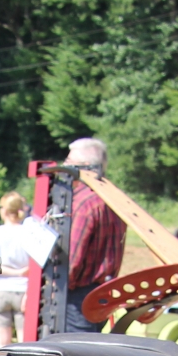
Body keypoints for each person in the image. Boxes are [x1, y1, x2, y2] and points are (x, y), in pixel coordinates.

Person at [61, 137, 127, 333]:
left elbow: (71, 263)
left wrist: (56, 289)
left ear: (86, 167)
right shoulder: (114, 199)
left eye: (70, 163)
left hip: (77, 299)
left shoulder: (83, 204)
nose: (65, 167)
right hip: (103, 295)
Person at [0, 191, 31, 346]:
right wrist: (21, 273)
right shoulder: (30, 233)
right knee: (25, 343)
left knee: (2, 343)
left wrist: (13, 272)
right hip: (24, 290)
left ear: (4, 210)